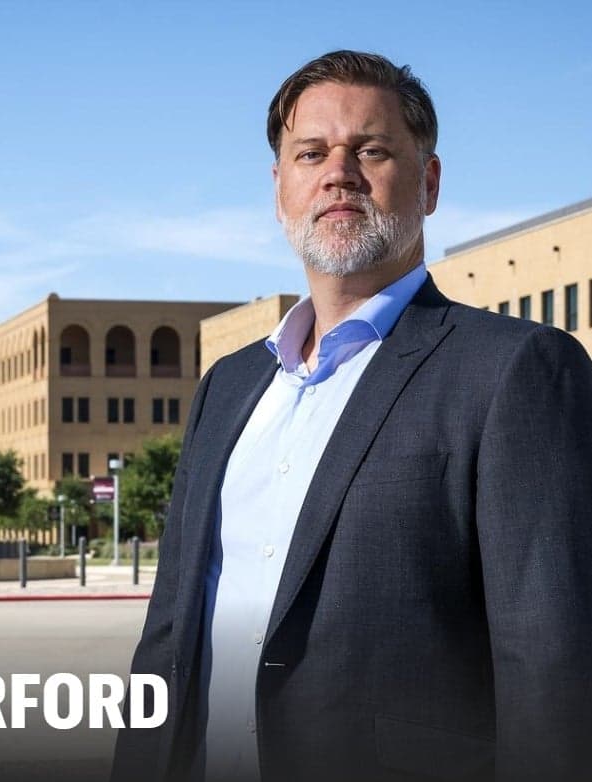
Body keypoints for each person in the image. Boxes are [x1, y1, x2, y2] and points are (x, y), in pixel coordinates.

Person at [111, 50, 592, 782]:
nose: (338, 172)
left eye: (370, 150)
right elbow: (170, 631)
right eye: (310, 154)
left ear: (427, 183)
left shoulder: (512, 370)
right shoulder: (227, 387)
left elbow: (550, 657)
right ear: (279, 190)